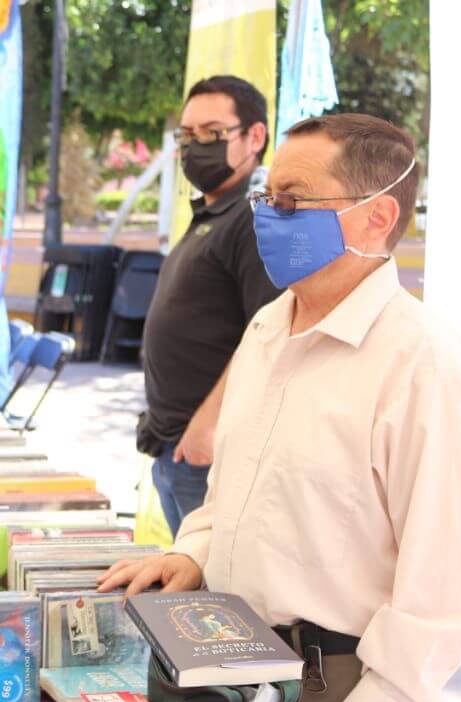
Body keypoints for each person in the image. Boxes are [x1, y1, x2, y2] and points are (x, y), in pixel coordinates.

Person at [100, 113, 461, 702]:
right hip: (238, 667)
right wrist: (192, 551)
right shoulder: (268, 328)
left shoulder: (423, 364)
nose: (267, 215)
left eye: (292, 200)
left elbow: (447, 580)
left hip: (342, 688)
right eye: (266, 197)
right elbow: (234, 490)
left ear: (376, 218)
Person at [139, 76, 279, 535]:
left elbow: (266, 334)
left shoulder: (254, 218)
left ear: (254, 137)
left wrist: (208, 425)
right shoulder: (213, 212)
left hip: (206, 453)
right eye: (187, 136)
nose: (196, 147)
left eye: (213, 134)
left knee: (210, 598)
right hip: (175, 445)